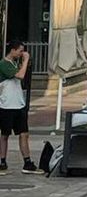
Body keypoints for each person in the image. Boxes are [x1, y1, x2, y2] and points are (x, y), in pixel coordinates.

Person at [0, 41, 39, 174]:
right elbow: (20, 75)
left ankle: (27, 162)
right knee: (5, 134)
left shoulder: (14, 63)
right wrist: (26, 60)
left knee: (24, 134)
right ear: (13, 50)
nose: (22, 53)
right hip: (7, 105)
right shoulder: (4, 64)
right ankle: (2, 161)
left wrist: (24, 63)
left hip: (19, 104)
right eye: (20, 51)